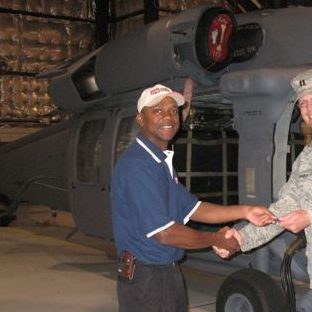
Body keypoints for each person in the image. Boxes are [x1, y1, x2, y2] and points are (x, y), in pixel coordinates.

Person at [110, 80, 275, 312]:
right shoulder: (137, 165)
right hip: (146, 278)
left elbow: (194, 208)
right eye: (157, 111)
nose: (168, 117)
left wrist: (245, 211)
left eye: (172, 110)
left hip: (165, 271)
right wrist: (216, 240)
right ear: (140, 119)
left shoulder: (159, 161)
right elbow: (165, 233)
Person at [213, 68, 312, 312]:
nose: (308, 110)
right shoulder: (307, 158)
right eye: (303, 103)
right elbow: (284, 208)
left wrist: (310, 216)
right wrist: (241, 238)